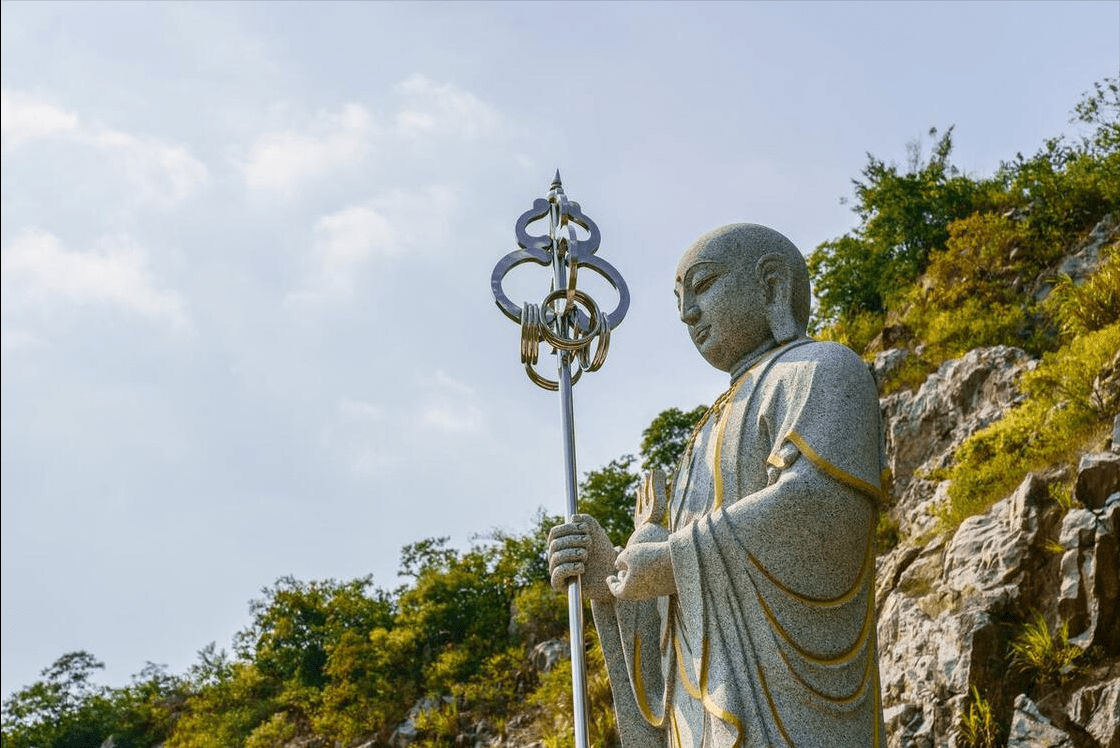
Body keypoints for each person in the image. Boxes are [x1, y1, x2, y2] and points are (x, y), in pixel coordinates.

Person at [548, 224, 887, 748]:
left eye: (703, 286)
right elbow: (681, 619)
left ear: (771, 283)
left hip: (792, 712)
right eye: (679, 301)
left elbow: (821, 511)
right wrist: (610, 578)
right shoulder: (702, 432)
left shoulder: (820, 369)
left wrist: (668, 560)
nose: (688, 313)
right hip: (703, 716)